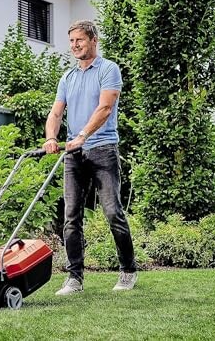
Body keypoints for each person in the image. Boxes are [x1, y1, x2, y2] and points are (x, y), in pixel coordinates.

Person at [43, 20, 137, 294]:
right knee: (71, 216)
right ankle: (75, 278)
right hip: (74, 154)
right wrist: (51, 137)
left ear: (93, 40)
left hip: (103, 149)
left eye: (80, 40)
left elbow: (105, 108)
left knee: (112, 212)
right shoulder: (68, 77)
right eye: (71, 41)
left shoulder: (108, 69)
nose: (75, 46)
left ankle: (128, 270)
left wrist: (83, 134)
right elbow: (56, 113)